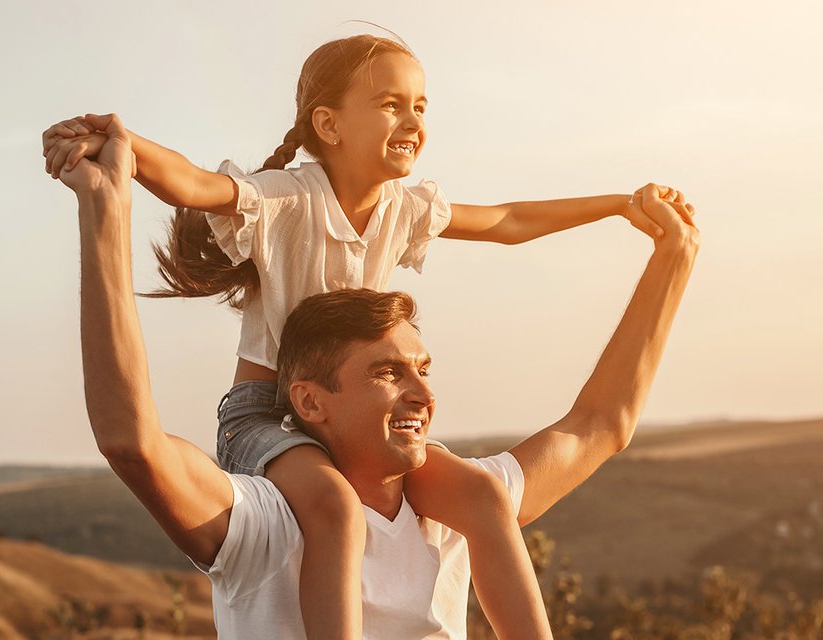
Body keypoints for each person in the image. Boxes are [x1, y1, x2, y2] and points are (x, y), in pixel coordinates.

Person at [41, 33, 688, 639]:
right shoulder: (285, 200)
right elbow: (192, 183)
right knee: (334, 509)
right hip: (266, 415)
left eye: (420, 106)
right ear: (329, 125)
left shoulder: (405, 209)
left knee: (484, 495)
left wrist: (619, 204)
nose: (413, 122)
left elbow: (507, 221)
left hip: (346, 413)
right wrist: (117, 141)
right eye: (390, 105)